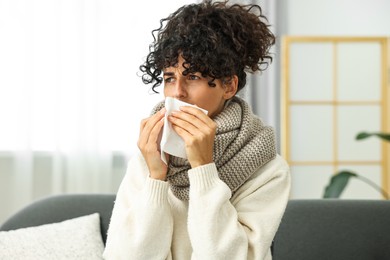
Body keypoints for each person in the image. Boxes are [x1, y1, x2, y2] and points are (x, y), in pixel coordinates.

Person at [103, 0, 290, 259]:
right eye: (170, 78)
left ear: (228, 86)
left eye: (192, 77)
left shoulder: (267, 169)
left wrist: (203, 169)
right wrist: (156, 178)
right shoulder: (152, 153)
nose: (178, 92)